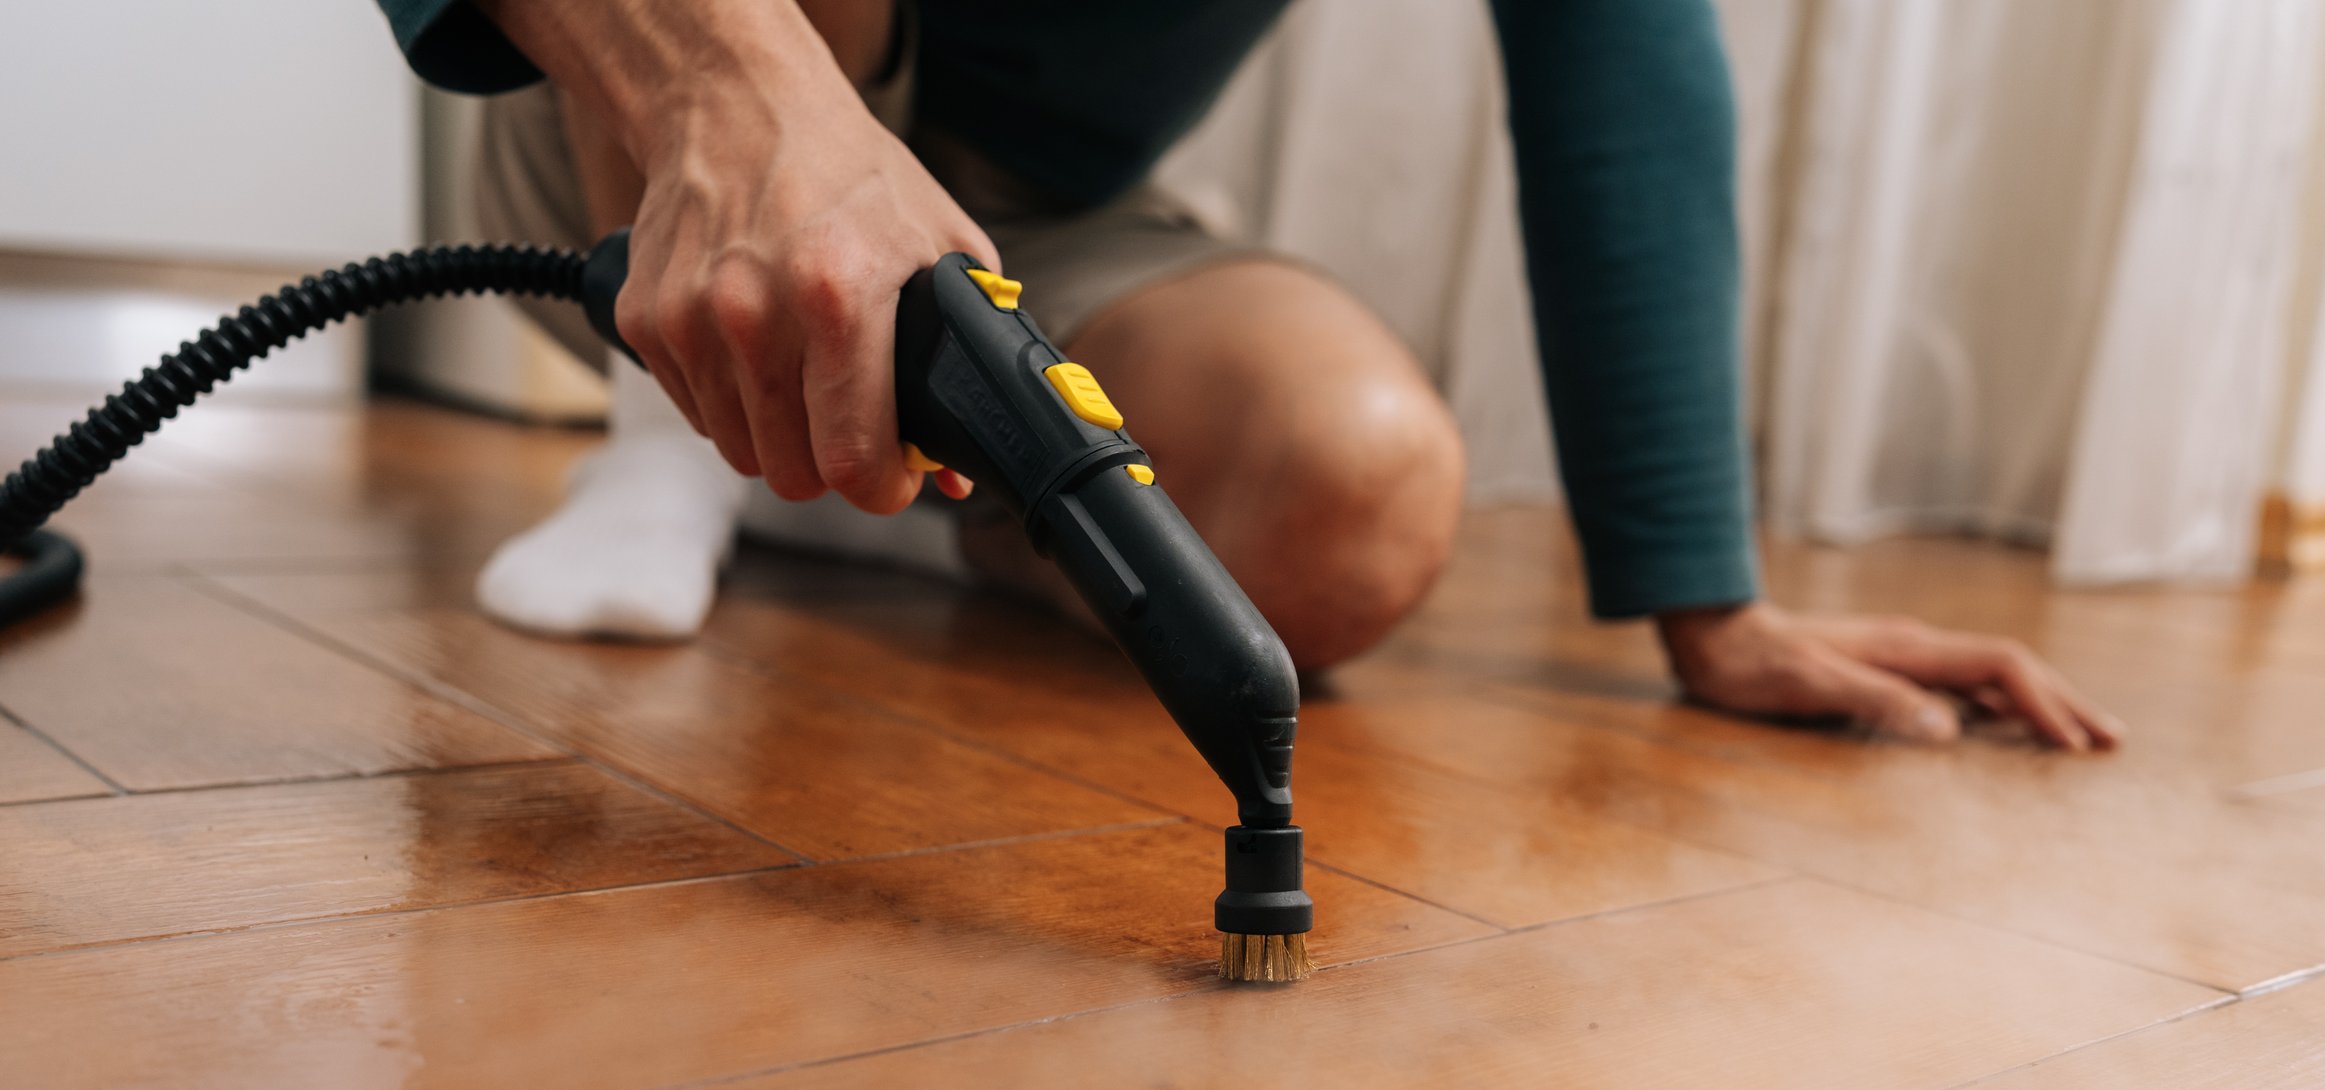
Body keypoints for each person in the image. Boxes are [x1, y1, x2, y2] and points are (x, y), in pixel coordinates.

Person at [372, 0, 2124, 749]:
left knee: (1356, 493)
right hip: (650, 123)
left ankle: (859, 485)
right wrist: (729, 109)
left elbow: (1623, 73)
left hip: (1045, 223)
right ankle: (671, 449)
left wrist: (1712, 605)